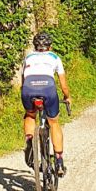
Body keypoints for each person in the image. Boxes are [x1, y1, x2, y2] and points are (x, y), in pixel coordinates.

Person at [21, 30, 71, 176]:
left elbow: (23, 81)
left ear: (35, 46)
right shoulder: (55, 58)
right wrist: (67, 97)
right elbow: (64, 86)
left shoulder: (28, 58)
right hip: (48, 89)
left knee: (30, 115)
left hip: (28, 89)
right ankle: (59, 161)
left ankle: (30, 140)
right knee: (54, 122)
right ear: (50, 46)